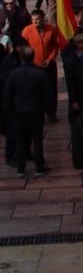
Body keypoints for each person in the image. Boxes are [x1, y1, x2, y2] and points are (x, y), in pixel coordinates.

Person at [3, 46, 54, 177]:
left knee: (21, 139)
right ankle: (39, 167)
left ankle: (21, 168)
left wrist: (9, 111)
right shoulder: (40, 73)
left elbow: (7, 94)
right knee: (37, 139)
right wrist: (47, 110)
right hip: (36, 111)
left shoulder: (14, 74)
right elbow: (48, 94)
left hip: (19, 112)